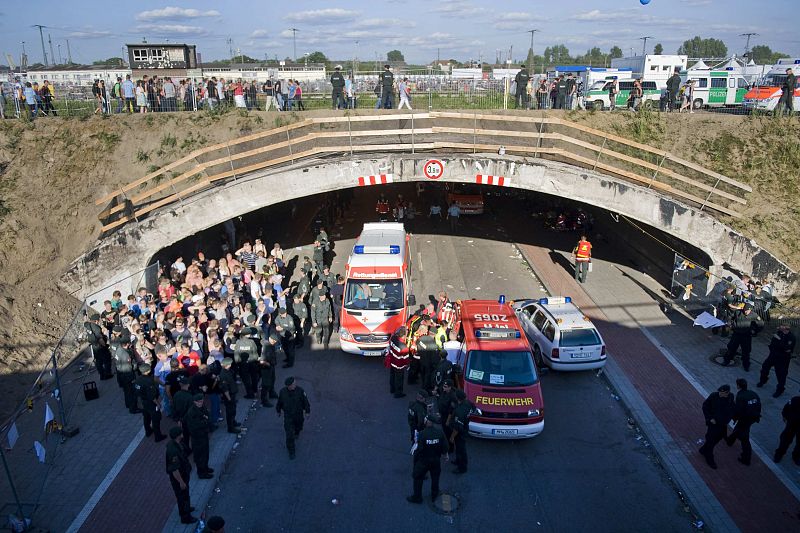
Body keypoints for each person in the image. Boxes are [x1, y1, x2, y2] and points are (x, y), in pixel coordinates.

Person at [407, 413, 448, 504]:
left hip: (423, 461)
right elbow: (445, 447)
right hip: (435, 460)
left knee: (418, 477)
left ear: (427, 422)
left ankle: (417, 497)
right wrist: (445, 455)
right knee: (435, 477)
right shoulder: (440, 433)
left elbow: (418, 449)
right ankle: (434, 494)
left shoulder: (421, 434)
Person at [725, 378, 761, 465]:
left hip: (745, 419)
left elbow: (738, 410)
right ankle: (730, 440)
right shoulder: (753, 393)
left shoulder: (740, 396)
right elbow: (759, 405)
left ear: (738, 386)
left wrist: (734, 418)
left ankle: (746, 458)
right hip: (753, 417)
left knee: (745, 438)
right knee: (738, 428)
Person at [166, 426, 198, 524]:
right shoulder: (173, 451)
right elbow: (174, 470)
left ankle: (185, 510)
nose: (182, 434)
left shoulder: (175, 444)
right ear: (178, 436)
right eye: (181, 433)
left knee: (184, 496)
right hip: (179, 478)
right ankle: (186, 517)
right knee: (183, 497)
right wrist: (181, 482)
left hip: (183, 474)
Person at [698, 384, 735, 469]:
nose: (720, 394)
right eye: (719, 392)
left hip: (723, 424)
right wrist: (709, 418)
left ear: (727, 393)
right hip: (713, 424)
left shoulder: (731, 397)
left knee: (719, 438)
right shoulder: (714, 396)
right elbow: (705, 407)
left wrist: (731, 417)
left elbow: (733, 407)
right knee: (710, 439)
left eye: (722, 393)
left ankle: (703, 449)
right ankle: (709, 458)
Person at [276, 376, 311, 460]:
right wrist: (278, 410)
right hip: (288, 416)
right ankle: (291, 451)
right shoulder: (282, 392)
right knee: (289, 435)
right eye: (293, 384)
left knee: (299, 426)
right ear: (289, 386)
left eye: (295, 383)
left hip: (298, 415)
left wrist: (307, 411)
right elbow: (280, 402)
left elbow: (305, 401)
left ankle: (297, 432)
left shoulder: (300, 391)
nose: (295, 384)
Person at [757, 324, 796, 398]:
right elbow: (773, 344)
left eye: (782, 326)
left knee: (781, 375)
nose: (779, 327)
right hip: (773, 355)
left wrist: (780, 340)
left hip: (782, 359)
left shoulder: (791, 337)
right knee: (764, 367)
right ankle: (763, 380)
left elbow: (787, 349)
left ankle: (780, 389)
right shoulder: (779, 333)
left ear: (786, 328)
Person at [722, 305, 763, 370]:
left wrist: (755, 332)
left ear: (750, 310)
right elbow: (730, 317)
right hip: (736, 334)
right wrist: (729, 324)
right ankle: (726, 361)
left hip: (746, 336)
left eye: (747, 310)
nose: (746, 312)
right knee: (732, 348)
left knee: (746, 352)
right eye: (745, 310)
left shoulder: (754, 315)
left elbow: (761, 324)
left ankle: (746, 365)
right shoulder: (738, 312)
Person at [135, 364, 167, 441]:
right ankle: (158, 436)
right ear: (148, 371)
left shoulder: (138, 379)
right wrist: (158, 404)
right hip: (151, 403)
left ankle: (148, 431)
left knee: (146, 417)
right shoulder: (149, 381)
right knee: (155, 419)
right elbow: (152, 396)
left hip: (143, 402)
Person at [185, 393, 214, 478]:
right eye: (199, 402)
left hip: (203, 434)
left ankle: (205, 467)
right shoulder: (192, 413)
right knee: (200, 455)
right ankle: (201, 472)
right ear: (195, 402)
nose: (201, 403)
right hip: (197, 437)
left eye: (202, 401)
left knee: (205, 453)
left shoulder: (201, 407)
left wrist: (205, 419)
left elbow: (207, 415)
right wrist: (205, 421)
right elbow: (197, 425)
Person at [112, 336, 139, 413]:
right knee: (131, 392)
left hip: (121, 374)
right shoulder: (125, 354)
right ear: (127, 344)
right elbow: (128, 368)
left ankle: (128, 404)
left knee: (126, 391)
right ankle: (133, 408)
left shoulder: (119, 350)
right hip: (127, 376)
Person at [449, 389, 473, 474]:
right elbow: (474, 410)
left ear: (458, 398)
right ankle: (458, 460)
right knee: (459, 449)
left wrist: (452, 437)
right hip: (465, 427)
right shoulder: (468, 403)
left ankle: (462, 468)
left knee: (461, 450)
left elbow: (457, 428)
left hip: (460, 433)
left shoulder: (459, 411)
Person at [84, 313, 113, 379]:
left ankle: (101, 375)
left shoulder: (88, 325)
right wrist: (105, 345)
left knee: (98, 361)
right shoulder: (96, 328)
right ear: (96, 320)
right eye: (99, 320)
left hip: (94, 347)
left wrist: (84, 315)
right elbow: (100, 339)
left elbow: (85, 322)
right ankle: (107, 374)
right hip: (100, 347)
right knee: (107, 359)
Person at [774, 396, 800, 465]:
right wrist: (785, 417)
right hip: (792, 424)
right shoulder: (796, 400)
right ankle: (779, 454)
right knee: (785, 440)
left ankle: (796, 456)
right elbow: (786, 409)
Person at [218, 358, 241, 433]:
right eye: (229, 364)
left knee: (233, 410)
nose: (230, 365)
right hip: (229, 396)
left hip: (232, 394)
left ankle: (233, 422)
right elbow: (225, 389)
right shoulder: (223, 374)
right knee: (230, 412)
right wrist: (229, 399)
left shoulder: (228, 371)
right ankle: (230, 428)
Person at [388, 327, 411, 398]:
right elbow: (405, 359)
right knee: (399, 379)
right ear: (404, 335)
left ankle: (392, 389)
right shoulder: (404, 347)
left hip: (392, 361)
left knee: (392, 375)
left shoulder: (393, 338)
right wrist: (408, 365)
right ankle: (398, 393)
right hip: (399, 365)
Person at [260, 333, 282, 405]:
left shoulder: (271, 345)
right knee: (266, 384)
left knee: (272, 380)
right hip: (266, 368)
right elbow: (262, 361)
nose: (275, 342)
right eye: (274, 341)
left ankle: (271, 393)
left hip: (271, 366)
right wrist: (268, 364)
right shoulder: (266, 347)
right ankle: (264, 400)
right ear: (271, 339)